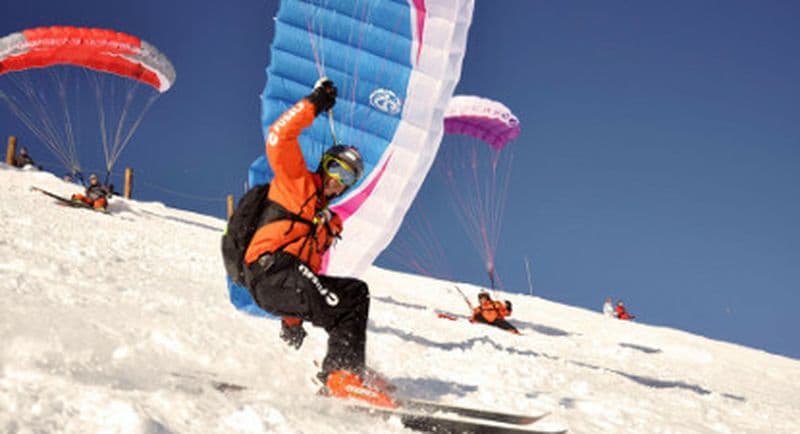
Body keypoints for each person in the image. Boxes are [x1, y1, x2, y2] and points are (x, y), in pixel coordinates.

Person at [242, 78, 394, 407]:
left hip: (284, 283)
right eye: (337, 169)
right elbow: (278, 137)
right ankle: (341, 374)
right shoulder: (297, 182)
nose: (340, 181)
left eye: (349, 177)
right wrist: (314, 103)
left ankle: (346, 372)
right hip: (269, 270)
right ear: (325, 165)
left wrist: (292, 323)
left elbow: (307, 277)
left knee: (353, 295)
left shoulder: (326, 225)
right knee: (344, 296)